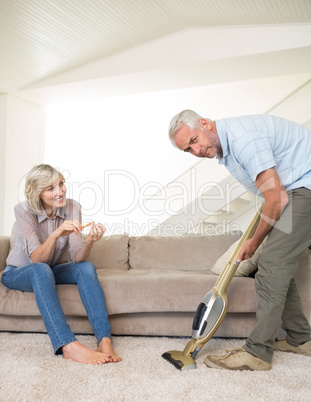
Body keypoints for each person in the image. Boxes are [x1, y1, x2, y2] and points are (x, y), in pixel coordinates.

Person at [168, 109, 311, 371]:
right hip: (294, 189)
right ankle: (301, 338)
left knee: (270, 268)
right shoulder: (228, 147)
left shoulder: (244, 139)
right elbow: (273, 192)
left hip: (306, 187)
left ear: (205, 123)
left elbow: (276, 198)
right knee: (278, 268)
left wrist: (254, 242)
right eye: (188, 149)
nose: (196, 150)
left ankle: (257, 353)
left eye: (194, 140)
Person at [2, 164, 122, 365]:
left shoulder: (73, 207)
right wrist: (57, 233)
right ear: (37, 193)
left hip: (50, 270)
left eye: (62, 184)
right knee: (40, 269)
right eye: (51, 188)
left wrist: (90, 241)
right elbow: (37, 259)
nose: (60, 191)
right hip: (19, 272)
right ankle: (67, 345)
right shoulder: (23, 211)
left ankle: (104, 339)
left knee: (86, 268)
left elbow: (77, 258)